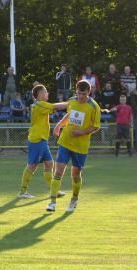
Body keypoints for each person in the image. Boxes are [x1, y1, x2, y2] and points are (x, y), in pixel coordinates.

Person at [46, 80, 101, 213]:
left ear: (89, 92)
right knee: (58, 171)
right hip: (65, 141)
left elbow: (96, 126)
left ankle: (74, 199)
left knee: (75, 175)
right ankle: (52, 202)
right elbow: (70, 115)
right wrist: (59, 125)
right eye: (78, 93)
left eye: (83, 94)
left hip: (80, 146)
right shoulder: (72, 101)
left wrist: (81, 132)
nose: (80, 96)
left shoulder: (94, 107)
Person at [17, 84, 68, 199]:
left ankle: (53, 191)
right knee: (32, 165)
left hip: (42, 140)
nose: (47, 94)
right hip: (37, 140)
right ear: (40, 95)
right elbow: (56, 107)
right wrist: (72, 103)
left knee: (49, 164)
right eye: (45, 92)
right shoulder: (39, 104)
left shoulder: (39, 105)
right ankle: (22, 192)